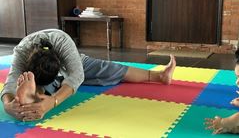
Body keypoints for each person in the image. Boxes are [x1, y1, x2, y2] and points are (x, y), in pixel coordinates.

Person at [0, 29, 176, 121]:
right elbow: (9, 83)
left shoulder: (63, 43)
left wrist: (52, 103)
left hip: (76, 62)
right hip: (37, 76)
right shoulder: (22, 52)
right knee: (40, 86)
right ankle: (35, 94)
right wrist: (8, 105)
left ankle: (160, 76)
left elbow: (76, 76)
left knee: (110, 68)